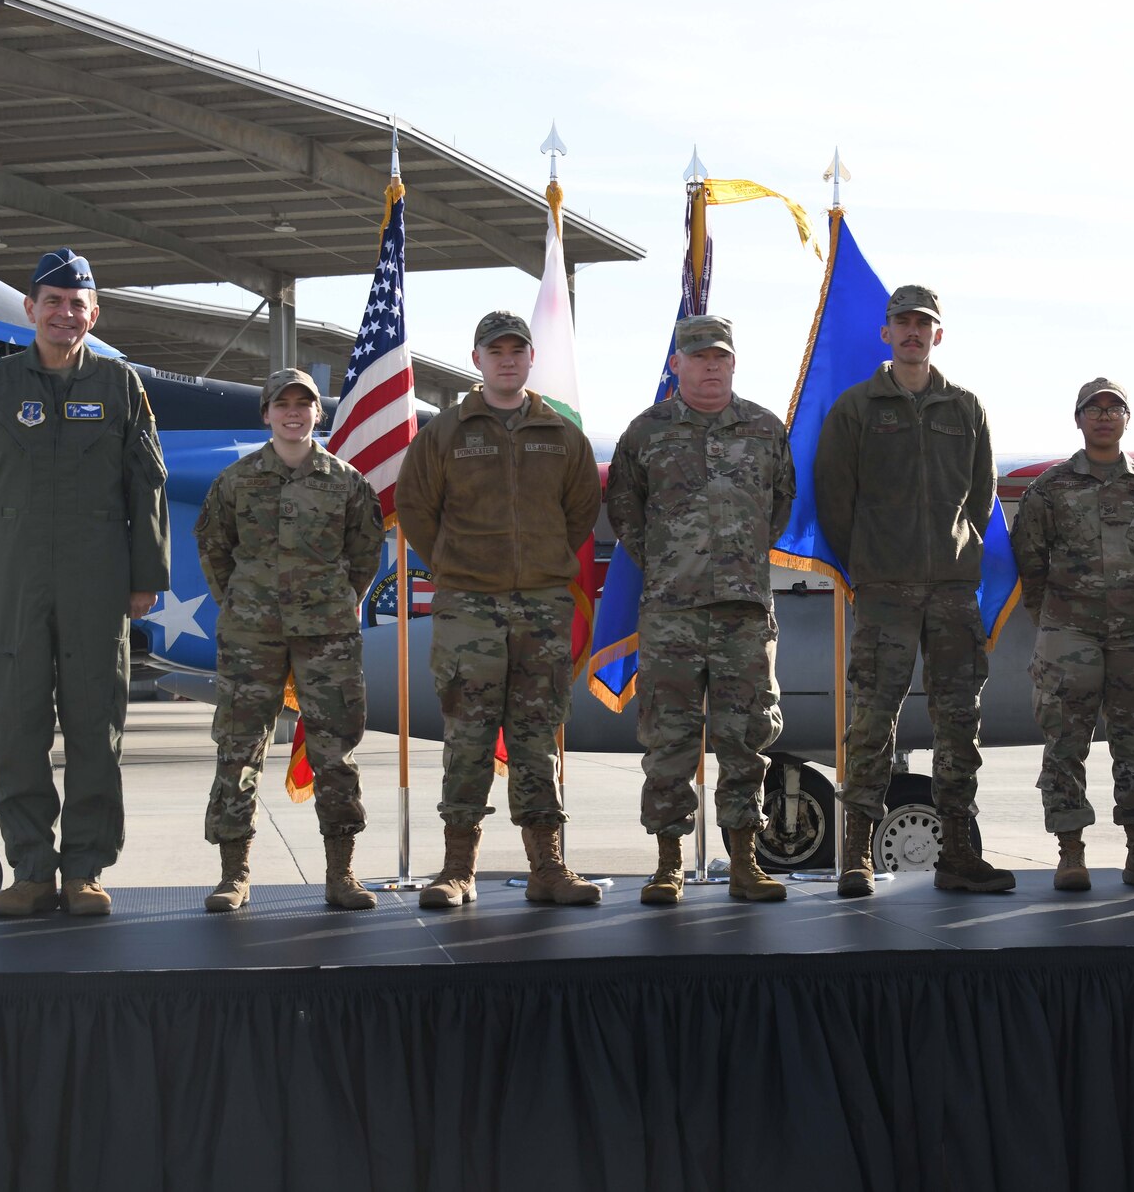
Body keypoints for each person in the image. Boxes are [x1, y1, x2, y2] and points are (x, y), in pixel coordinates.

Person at [0, 248, 170, 917]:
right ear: (29, 309)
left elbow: (147, 482)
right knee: (14, 726)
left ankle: (85, 870)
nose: (65, 314)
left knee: (96, 727)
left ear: (93, 314)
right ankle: (32, 870)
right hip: (10, 577)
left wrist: (145, 574)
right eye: (53, 301)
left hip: (97, 579)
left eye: (78, 304)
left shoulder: (121, 385)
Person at [394, 310, 604, 908]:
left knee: (538, 737)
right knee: (468, 737)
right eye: (496, 351)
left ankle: (548, 866)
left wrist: (541, 561)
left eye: (517, 350)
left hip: (541, 606)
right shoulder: (446, 433)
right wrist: (459, 566)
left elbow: (581, 508)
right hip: (469, 609)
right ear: (476, 359)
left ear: (531, 359)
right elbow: (416, 506)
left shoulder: (561, 433)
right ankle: (456, 868)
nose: (507, 359)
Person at [814, 284, 1012, 897]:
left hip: (953, 590)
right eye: (902, 323)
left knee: (959, 722)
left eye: (923, 324)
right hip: (884, 590)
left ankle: (958, 852)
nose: (911, 333)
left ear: (938, 335)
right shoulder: (856, 408)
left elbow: (981, 497)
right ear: (885, 332)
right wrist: (872, 561)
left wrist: (957, 555)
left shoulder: (966, 409)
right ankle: (855, 856)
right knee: (872, 722)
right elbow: (834, 500)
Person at [606, 316, 795, 904]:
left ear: (733, 363)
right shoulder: (647, 432)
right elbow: (625, 511)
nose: (711, 365)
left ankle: (744, 864)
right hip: (672, 612)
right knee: (669, 740)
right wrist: (670, 561)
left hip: (743, 611)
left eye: (720, 356)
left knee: (747, 739)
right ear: (677, 364)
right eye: (699, 356)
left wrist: (737, 558)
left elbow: (780, 505)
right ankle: (669, 865)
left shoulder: (765, 429)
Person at [194, 368, 385, 912]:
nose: (293, 413)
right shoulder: (236, 480)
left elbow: (365, 552)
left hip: (327, 633)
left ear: (317, 414)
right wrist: (245, 600)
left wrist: (333, 597)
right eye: (283, 404)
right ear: (266, 413)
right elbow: (213, 548)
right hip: (251, 634)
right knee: (238, 749)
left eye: (304, 404)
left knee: (335, 751)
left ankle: (341, 874)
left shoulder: (346, 480)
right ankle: (234, 875)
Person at [1009, 379, 1134, 890]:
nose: (1104, 417)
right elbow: (1030, 557)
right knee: (1065, 744)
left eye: (1115, 408)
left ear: (1128, 418)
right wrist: (1053, 617)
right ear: (1078, 418)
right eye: (1094, 409)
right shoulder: (1050, 488)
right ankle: (1070, 853)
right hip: (1070, 632)